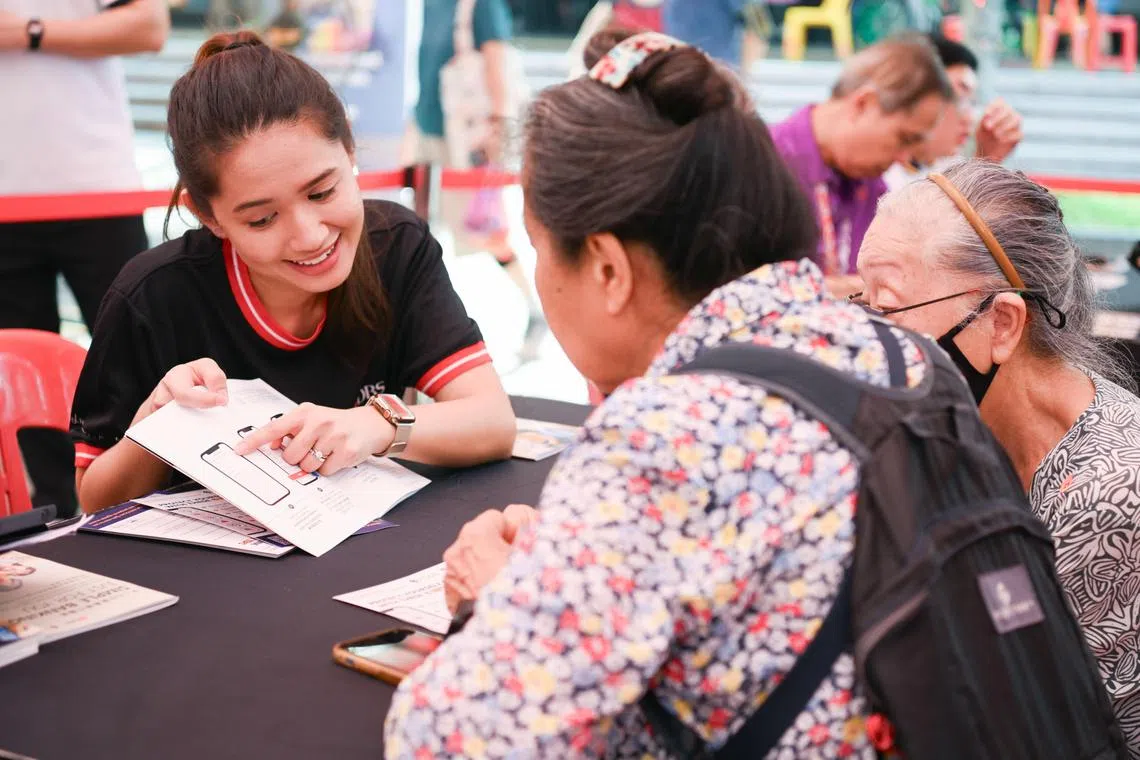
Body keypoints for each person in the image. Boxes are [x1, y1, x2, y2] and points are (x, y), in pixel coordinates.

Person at [385, 30, 937, 758]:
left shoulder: (658, 437)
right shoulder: (893, 351)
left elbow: (449, 739)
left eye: (541, 248)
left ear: (608, 269)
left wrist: (495, 604)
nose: (542, 280)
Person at [70, 31, 516, 514]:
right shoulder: (151, 296)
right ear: (208, 216)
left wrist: (375, 424)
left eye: (322, 193)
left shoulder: (395, 246)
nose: (308, 236)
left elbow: (493, 422)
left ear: (349, 150)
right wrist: (158, 418)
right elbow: (94, 499)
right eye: (262, 219)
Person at [857, 160, 1140, 754]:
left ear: (1003, 323)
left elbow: (1017, 709)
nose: (865, 337)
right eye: (861, 299)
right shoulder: (973, 423)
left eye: (887, 309)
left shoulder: (1110, 494)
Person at [0, 0, 169, 517]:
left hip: (97, 187)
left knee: (145, 360)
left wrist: (29, 31)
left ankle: (159, 502)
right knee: (22, 380)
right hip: (7, 202)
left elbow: (150, 26)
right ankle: (54, 519)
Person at [407, 0, 547, 362]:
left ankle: (534, 308)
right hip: (432, 128)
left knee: (484, 229)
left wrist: (498, 127)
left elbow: (496, 59)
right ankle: (420, 322)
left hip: (465, 137)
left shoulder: (481, 4)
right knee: (424, 227)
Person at [769, 34, 953, 295]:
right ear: (863, 104)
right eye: (903, 139)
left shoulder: (873, 187)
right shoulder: (763, 164)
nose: (903, 158)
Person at [883, 35, 1024, 191]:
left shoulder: (941, 167)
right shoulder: (879, 177)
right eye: (959, 99)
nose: (969, 118)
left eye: (972, 102)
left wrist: (988, 159)